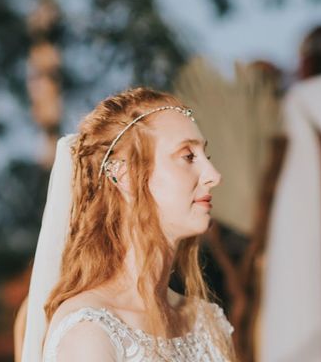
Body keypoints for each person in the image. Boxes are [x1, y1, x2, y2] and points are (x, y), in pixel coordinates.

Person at [20, 87, 237, 361]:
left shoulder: (207, 322)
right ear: (125, 175)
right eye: (188, 156)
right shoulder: (90, 332)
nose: (213, 175)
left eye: (206, 156)